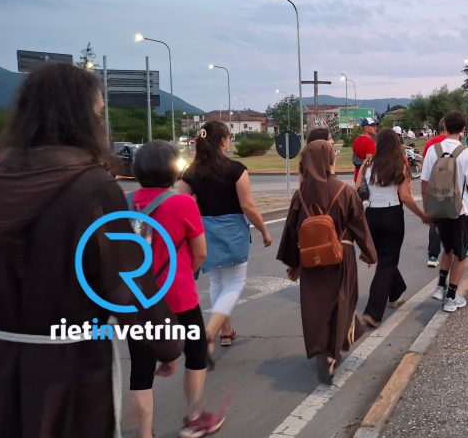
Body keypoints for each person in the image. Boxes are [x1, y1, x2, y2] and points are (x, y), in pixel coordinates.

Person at [0, 63, 182, 437]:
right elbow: (127, 284)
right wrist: (167, 343)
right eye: (98, 113)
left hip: (0, 362)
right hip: (71, 370)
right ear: (81, 117)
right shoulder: (91, 187)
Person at [128, 141, 224, 438]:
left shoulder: (125, 201)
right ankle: (194, 418)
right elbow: (200, 253)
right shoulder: (183, 203)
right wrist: (186, 273)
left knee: (140, 371)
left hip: (138, 300)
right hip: (178, 296)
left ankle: (144, 434)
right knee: (195, 355)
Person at [277, 141, 377, 383]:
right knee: (342, 301)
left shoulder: (299, 195)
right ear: (329, 160)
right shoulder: (345, 191)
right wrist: (370, 254)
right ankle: (332, 354)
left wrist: (294, 264)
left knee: (316, 306)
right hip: (341, 256)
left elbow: (292, 231)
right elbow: (360, 227)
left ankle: (322, 350)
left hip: (311, 258)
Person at [178, 121, 273, 363]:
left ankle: (226, 331)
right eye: (228, 137)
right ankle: (210, 332)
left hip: (205, 231)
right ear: (222, 140)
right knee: (236, 281)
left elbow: (179, 202)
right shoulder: (236, 169)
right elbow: (247, 205)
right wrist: (263, 230)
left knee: (218, 279)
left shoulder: (191, 171)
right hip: (232, 230)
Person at [358, 130, 430, 328]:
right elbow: (405, 196)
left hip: (371, 215)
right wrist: (422, 215)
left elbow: (358, 189)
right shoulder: (400, 165)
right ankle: (372, 312)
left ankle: (397, 289)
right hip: (391, 215)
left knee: (384, 258)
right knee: (387, 263)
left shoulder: (368, 164)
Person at [421, 111, 468, 312]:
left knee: (447, 249)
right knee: (461, 254)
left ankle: (440, 286)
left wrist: (427, 208)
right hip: (460, 209)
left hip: (438, 209)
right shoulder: (467, 152)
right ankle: (452, 297)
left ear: (444, 126)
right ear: (464, 129)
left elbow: (424, 181)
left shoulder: (432, 150)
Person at [422, 120, 447, 267]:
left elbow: (426, 166)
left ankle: (433, 255)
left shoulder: (430, 144)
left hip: (434, 186)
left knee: (435, 222)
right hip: (452, 187)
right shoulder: (455, 143)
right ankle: (463, 246)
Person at [352, 117, 378, 182]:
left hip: (357, 176)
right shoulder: (370, 142)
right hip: (366, 178)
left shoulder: (356, 140)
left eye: (375, 126)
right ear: (366, 128)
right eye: (373, 126)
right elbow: (368, 163)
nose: (375, 128)